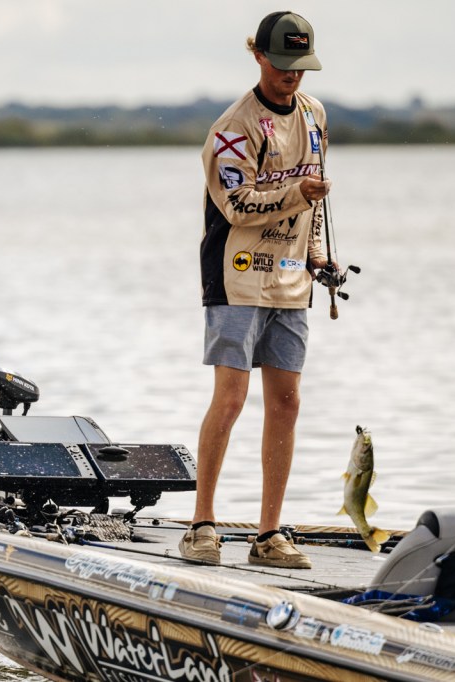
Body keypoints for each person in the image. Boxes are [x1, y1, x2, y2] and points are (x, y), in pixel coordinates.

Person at [180, 11, 333, 569]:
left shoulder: (314, 115)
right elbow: (236, 205)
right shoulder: (232, 128)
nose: (292, 75)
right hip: (236, 275)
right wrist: (296, 194)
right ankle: (201, 525)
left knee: (287, 403)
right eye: (283, 63)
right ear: (259, 56)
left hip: (291, 280)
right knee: (231, 398)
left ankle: (269, 535)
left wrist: (318, 255)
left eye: (301, 65)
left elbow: (316, 201)